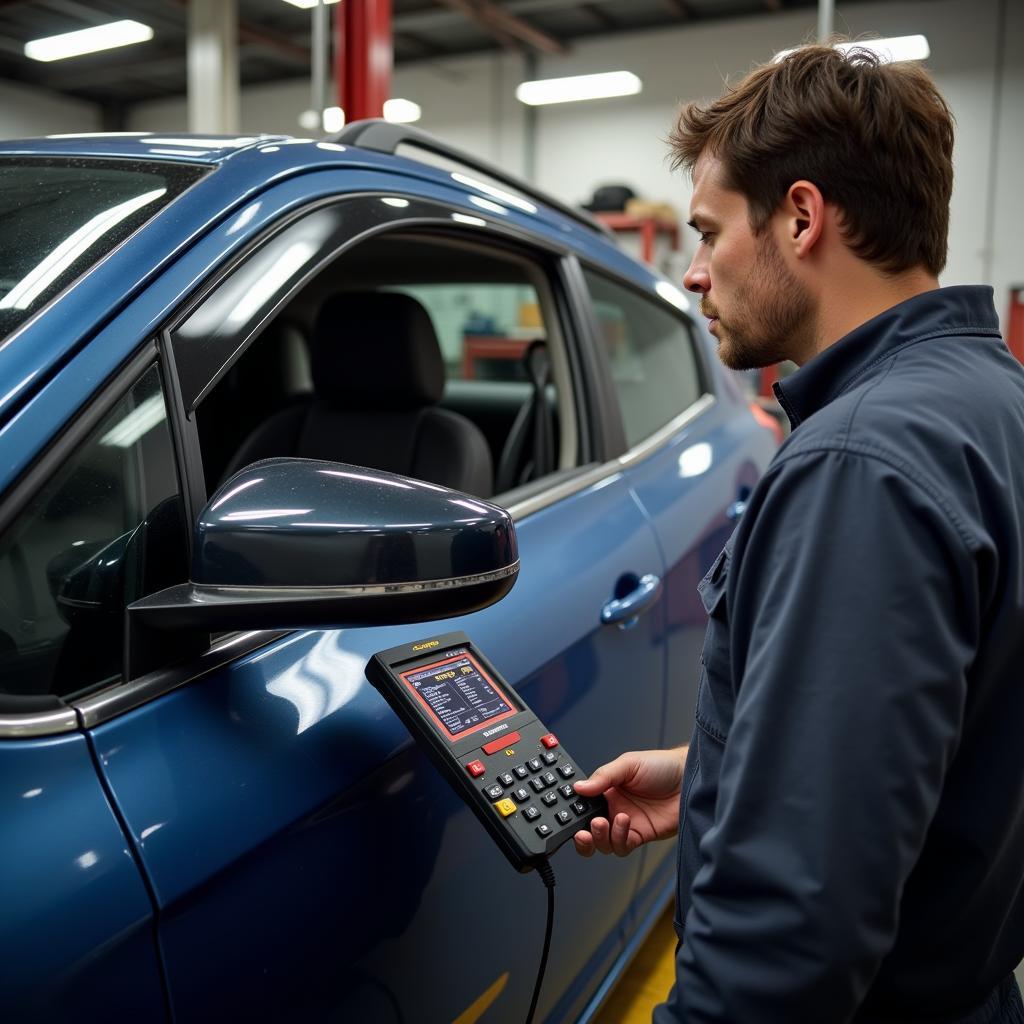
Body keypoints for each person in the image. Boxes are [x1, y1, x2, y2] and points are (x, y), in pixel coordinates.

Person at [573, 43, 1024, 1023]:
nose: (692, 276)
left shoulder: (860, 462)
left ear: (802, 217)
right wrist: (713, 773)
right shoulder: (993, 404)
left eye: (706, 234)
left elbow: (792, 928)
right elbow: (941, 735)